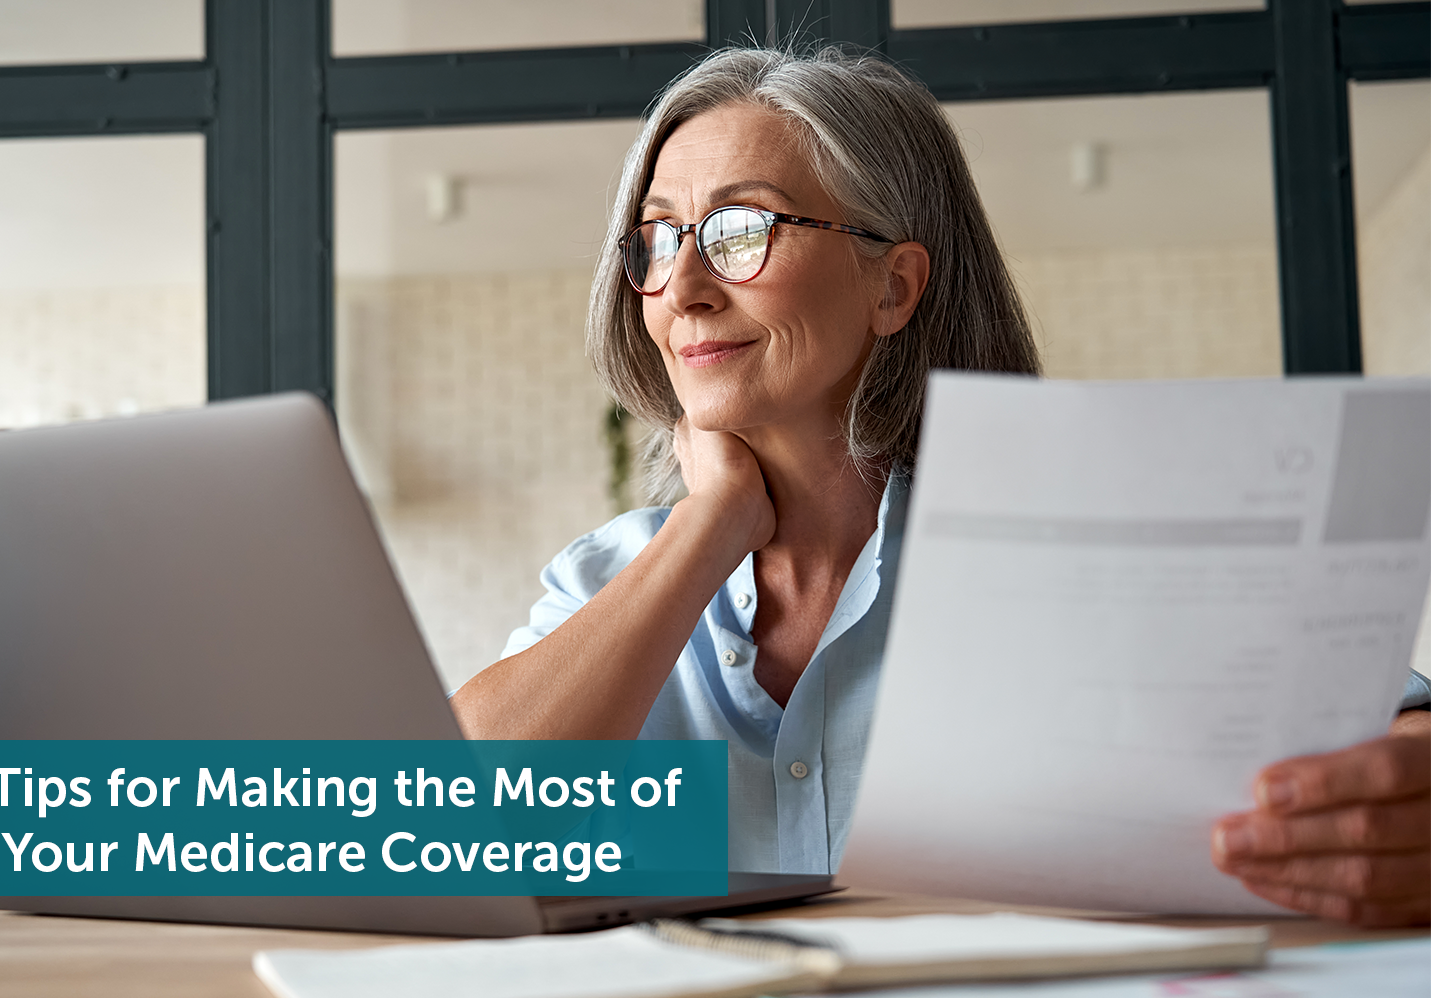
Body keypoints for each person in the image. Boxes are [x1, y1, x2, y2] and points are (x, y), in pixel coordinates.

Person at [450, 46, 1430, 927]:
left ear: (894, 286)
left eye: (741, 229)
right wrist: (709, 526)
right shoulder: (603, 581)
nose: (686, 285)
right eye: (657, 240)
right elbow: (452, 826)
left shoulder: (1071, 544)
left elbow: (1386, 725)